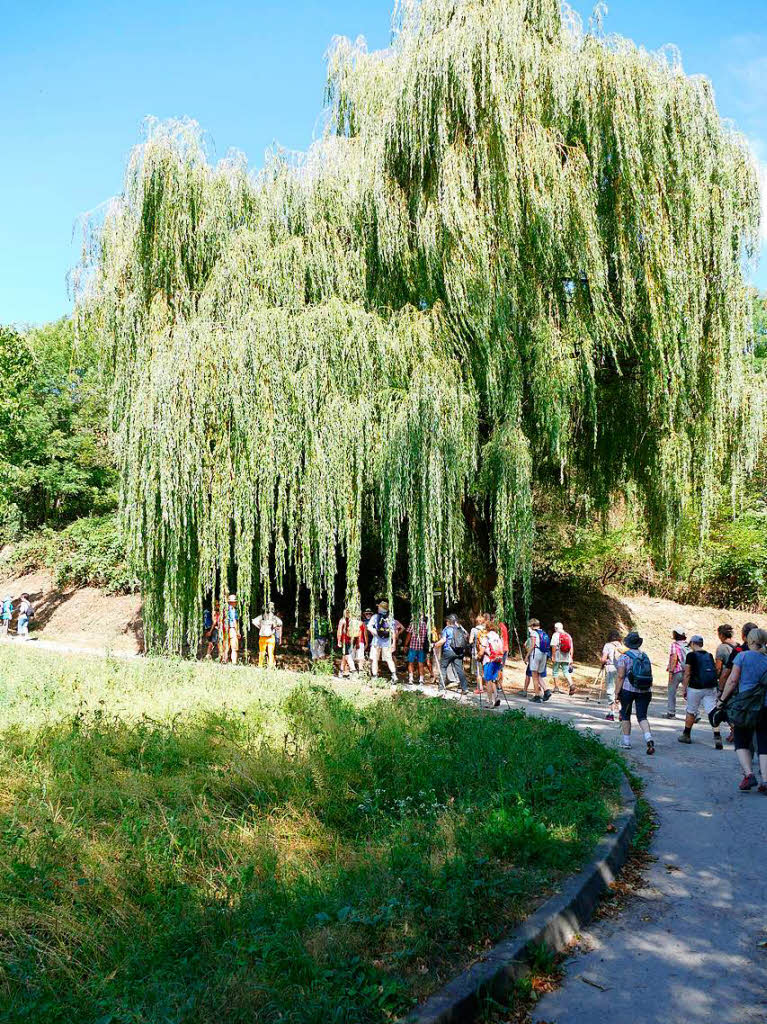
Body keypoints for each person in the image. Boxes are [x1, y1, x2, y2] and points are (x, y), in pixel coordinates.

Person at [717, 627, 767, 793]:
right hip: (765, 706)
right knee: (764, 743)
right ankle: (765, 780)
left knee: (741, 740)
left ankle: (749, 774)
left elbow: (732, 681)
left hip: (745, 706)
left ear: (749, 641)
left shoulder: (742, 656)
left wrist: (722, 700)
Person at [678, 635, 723, 748]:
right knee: (712, 711)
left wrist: (684, 689)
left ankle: (686, 735)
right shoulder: (709, 655)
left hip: (695, 687)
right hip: (710, 687)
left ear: (693, 643)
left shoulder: (691, 655)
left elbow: (687, 673)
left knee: (691, 711)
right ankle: (717, 736)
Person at [615, 631, 655, 755]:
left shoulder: (624, 657)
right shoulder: (644, 656)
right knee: (642, 716)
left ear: (627, 643)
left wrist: (616, 693)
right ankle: (648, 738)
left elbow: (621, 676)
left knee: (626, 715)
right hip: (645, 690)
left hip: (628, 690)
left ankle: (626, 742)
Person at [719, 621, 759, 744]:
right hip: (761, 689)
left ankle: (737, 732)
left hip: (741, 688)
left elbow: (728, 673)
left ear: (743, 636)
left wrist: (721, 690)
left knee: (728, 709)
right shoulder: (764, 651)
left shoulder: (739, 651)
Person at [433, 614, 470, 696]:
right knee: (460, 670)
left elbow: (443, 640)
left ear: (448, 622)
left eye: (446, 621)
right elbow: (467, 635)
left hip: (448, 651)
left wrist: (435, 645)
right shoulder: (460, 629)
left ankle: (441, 688)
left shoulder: (447, 629)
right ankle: (465, 688)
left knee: (443, 668)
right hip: (459, 651)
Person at [367, 601, 398, 686]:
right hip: (387, 642)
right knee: (389, 659)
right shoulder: (390, 618)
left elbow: (368, 626)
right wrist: (394, 644)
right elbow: (393, 632)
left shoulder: (375, 617)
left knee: (375, 659)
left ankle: (375, 677)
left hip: (376, 642)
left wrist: (375, 632)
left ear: (380, 608)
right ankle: (394, 675)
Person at [525, 618, 551, 703]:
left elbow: (532, 646)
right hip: (543, 654)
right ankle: (546, 691)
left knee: (534, 676)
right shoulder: (543, 632)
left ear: (532, 625)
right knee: (539, 675)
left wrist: (526, 656)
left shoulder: (533, 633)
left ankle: (537, 696)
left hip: (535, 654)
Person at [479, 620, 504, 708]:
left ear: (487, 628)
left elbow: (482, 652)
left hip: (488, 661)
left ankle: (490, 702)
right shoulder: (498, 638)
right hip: (497, 661)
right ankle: (496, 697)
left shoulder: (486, 638)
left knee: (488, 681)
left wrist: (478, 656)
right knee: (493, 680)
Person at [666, 626, 689, 718]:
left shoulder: (674, 645)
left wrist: (671, 672)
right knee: (688, 692)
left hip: (677, 671)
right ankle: (694, 713)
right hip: (687, 671)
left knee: (672, 692)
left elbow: (674, 658)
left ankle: (671, 712)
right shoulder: (688, 645)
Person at [601, 629, 623, 721]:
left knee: (610, 689)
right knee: (619, 690)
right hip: (621, 669)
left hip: (611, 668)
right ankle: (621, 713)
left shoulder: (608, 645)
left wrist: (604, 662)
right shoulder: (621, 645)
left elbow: (603, 659)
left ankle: (611, 713)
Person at [254, 603, 283, 670]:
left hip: (264, 636)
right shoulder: (274, 617)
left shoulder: (262, 616)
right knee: (270, 652)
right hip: (270, 637)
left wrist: (260, 627)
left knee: (262, 652)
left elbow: (254, 621)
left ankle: (261, 665)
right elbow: (280, 623)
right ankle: (269, 666)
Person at [550, 621, 575, 695]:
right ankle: (571, 684)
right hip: (566, 656)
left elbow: (554, 646)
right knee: (566, 671)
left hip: (558, 655)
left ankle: (556, 688)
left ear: (556, 628)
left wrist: (553, 656)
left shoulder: (555, 635)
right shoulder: (568, 635)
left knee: (555, 671)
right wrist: (571, 657)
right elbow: (571, 647)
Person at [406, 613, 430, 685]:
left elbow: (409, 635)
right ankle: (421, 680)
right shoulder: (426, 625)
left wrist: (405, 645)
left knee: (411, 662)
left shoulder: (413, 624)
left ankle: (411, 679)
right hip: (422, 647)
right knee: (421, 663)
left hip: (413, 646)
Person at [469, 614, 489, 694]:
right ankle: (488, 686)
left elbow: (470, 641)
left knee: (478, 671)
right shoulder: (486, 629)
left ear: (476, 621)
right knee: (485, 670)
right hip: (485, 652)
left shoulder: (474, 630)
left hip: (476, 652)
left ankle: (480, 688)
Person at [224, 594, 240, 665]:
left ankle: (224, 659)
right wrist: (237, 632)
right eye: (235, 602)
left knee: (226, 646)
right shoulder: (233, 610)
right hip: (232, 629)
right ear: (232, 602)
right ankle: (234, 662)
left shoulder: (225, 609)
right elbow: (234, 621)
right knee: (234, 647)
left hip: (225, 629)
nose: (236, 603)